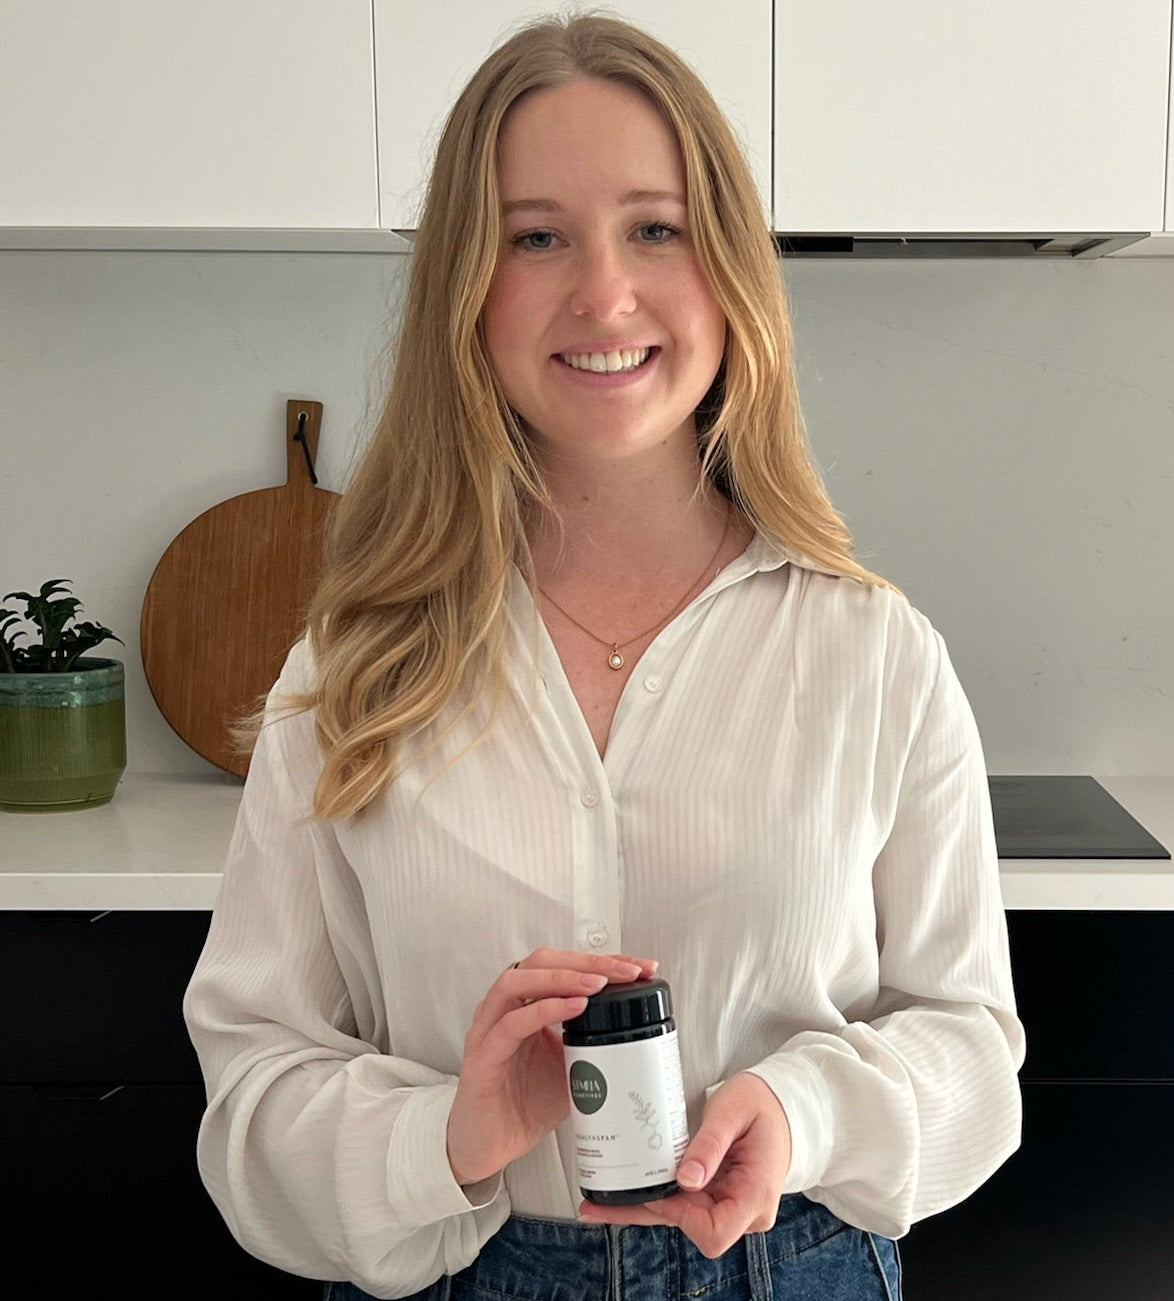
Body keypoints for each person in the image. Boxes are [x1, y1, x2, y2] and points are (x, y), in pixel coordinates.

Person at [183, 10, 1025, 1300]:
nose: (603, 293)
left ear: (729, 266)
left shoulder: (874, 651)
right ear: (468, 286)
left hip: (791, 1267)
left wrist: (806, 1111)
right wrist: (444, 1137)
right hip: (461, 1270)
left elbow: (974, 1054)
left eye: (655, 227)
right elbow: (250, 1088)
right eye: (535, 237)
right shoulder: (348, 671)